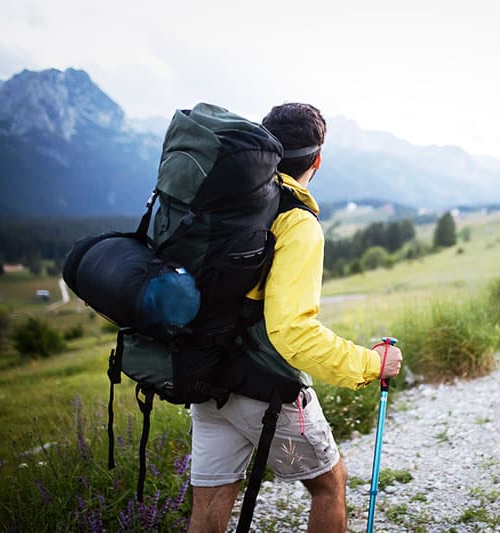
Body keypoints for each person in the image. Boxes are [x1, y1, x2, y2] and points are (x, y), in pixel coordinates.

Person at [188, 102, 403, 533]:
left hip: (205, 375)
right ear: (317, 160)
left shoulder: (228, 204)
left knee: (208, 510)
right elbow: (293, 334)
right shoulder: (295, 221)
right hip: (265, 386)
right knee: (330, 485)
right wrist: (372, 364)